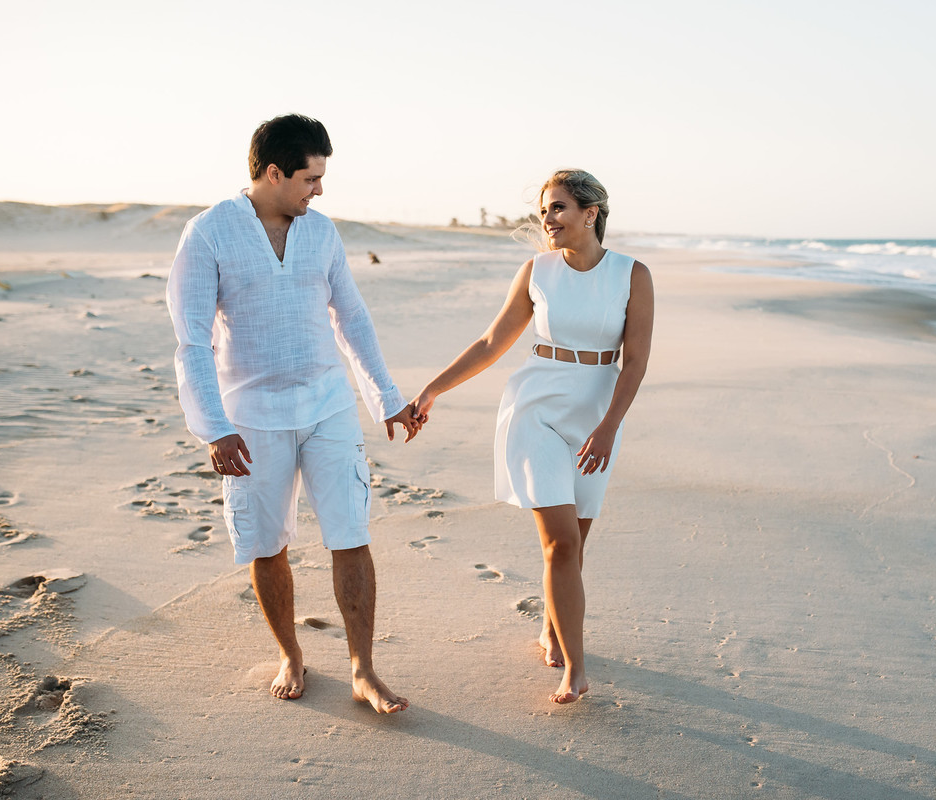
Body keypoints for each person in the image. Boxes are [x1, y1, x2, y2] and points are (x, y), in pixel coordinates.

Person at [167, 114, 418, 713]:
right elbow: (192, 341)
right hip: (249, 417)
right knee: (266, 545)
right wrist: (214, 427)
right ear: (273, 173)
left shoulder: (323, 232)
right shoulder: (208, 234)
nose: (320, 190)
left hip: (328, 404)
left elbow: (351, 318)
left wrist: (386, 396)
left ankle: (363, 668)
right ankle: (291, 653)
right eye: (310, 178)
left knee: (351, 534)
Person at [412, 169, 654, 703]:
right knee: (560, 543)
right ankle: (576, 667)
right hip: (536, 407)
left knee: (575, 545)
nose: (548, 220)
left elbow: (635, 361)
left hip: (596, 413)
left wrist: (609, 427)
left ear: (591, 214)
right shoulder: (536, 272)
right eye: (544, 210)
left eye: (559, 208)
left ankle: (550, 625)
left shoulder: (632, 275)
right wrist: (432, 390)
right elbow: (492, 341)